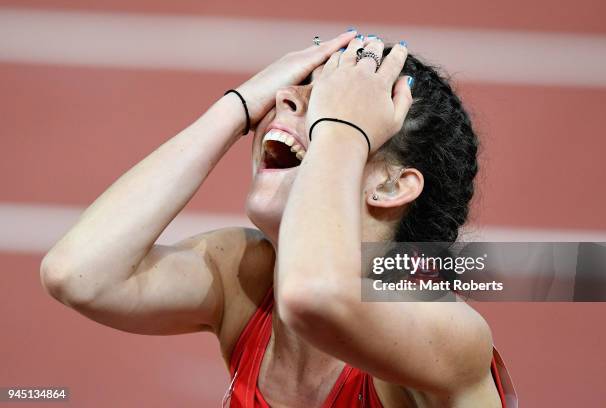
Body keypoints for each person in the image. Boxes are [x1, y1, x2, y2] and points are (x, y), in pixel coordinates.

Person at [40, 29, 516, 407]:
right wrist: (238, 106)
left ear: (391, 185)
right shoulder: (246, 276)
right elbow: (78, 275)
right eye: (290, 95)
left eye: (326, 104)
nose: (284, 100)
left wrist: (338, 127)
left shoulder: (447, 331)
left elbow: (316, 297)